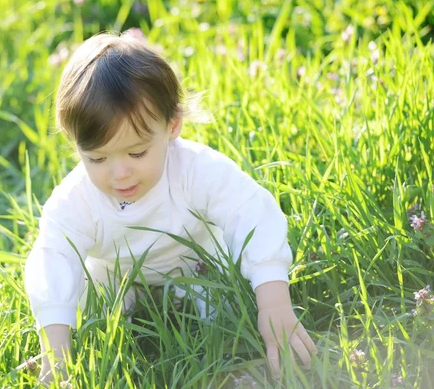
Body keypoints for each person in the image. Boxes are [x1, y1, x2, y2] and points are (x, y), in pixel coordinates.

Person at [24, 32, 317, 384]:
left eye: (137, 153)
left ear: (172, 126)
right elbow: (55, 255)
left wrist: (274, 304)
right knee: (90, 306)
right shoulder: (77, 198)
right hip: (115, 274)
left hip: (194, 262)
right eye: (97, 158)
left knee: (226, 316)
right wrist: (56, 349)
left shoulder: (196, 169)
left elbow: (250, 212)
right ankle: (68, 350)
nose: (120, 173)